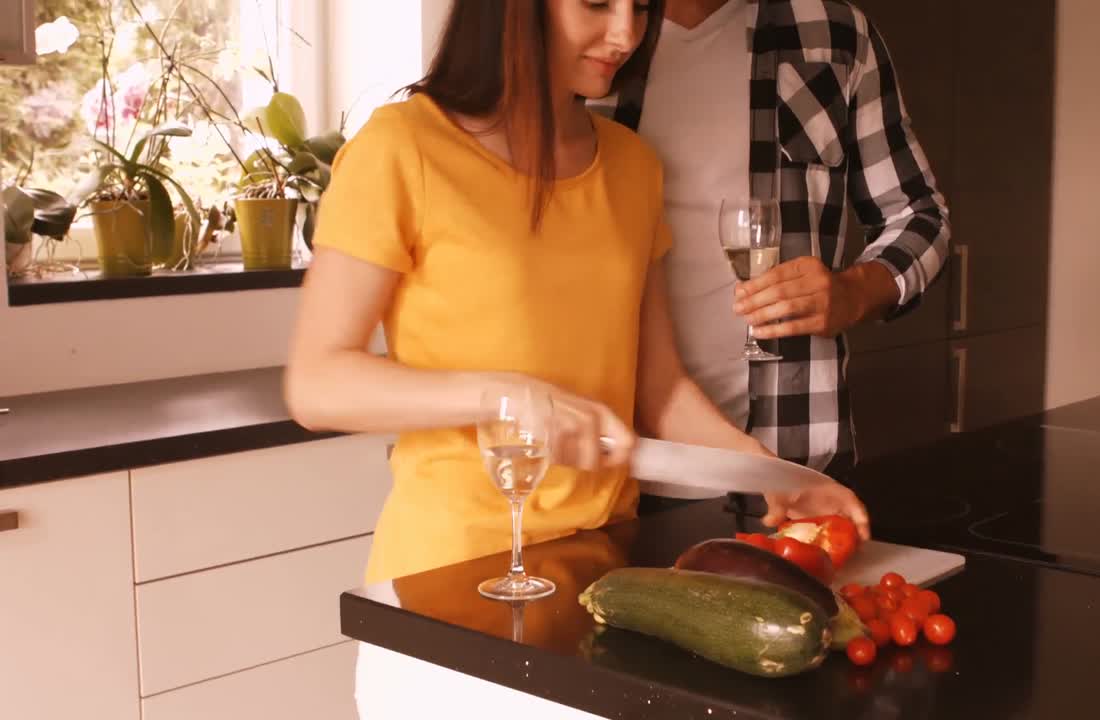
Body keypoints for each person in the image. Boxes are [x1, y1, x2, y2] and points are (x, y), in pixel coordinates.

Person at [287, 0, 870, 596]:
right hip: (450, 572)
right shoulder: (403, 146)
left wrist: (770, 472)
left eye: (640, 7)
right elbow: (316, 384)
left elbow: (659, 387)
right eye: (597, 3)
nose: (626, 33)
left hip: (605, 564)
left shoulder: (631, 165)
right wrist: (506, 397)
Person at [589, 0, 952, 498]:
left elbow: (919, 216)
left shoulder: (836, 34)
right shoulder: (588, 43)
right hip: (621, 470)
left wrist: (854, 291)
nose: (622, 29)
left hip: (795, 462)